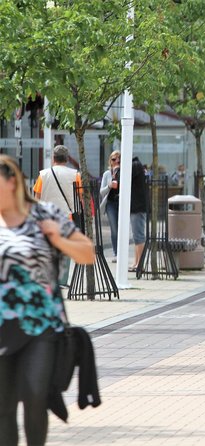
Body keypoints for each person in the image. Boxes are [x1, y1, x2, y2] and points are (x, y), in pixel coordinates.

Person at [0, 154, 95, 446]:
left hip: (41, 326)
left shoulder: (44, 214)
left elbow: (87, 253)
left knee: (34, 394)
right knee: (2, 409)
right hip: (3, 328)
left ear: (12, 181)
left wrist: (58, 240)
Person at [33, 145, 83, 286]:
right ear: (67, 159)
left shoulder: (43, 175)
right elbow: (80, 198)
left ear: (53, 158)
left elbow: (37, 198)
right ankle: (62, 280)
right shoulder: (76, 175)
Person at [99, 150, 121, 262]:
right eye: (114, 159)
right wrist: (109, 186)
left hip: (122, 203)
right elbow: (102, 192)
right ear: (110, 161)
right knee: (114, 229)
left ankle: (122, 252)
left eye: (119, 158)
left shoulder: (125, 172)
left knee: (122, 228)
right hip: (111, 204)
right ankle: (116, 253)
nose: (117, 161)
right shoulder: (107, 174)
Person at [129, 156, 148, 272]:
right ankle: (136, 262)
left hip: (137, 207)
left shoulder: (134, 165)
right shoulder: (136, 165)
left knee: (138, 235)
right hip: (136, 206)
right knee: (136, 236)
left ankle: (140, 263)